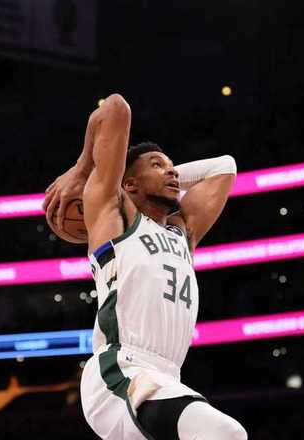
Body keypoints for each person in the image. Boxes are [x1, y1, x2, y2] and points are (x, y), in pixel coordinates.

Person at [42, 93, 247, 440]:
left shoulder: (183, 232)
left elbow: (224, 167)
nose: (171, 171)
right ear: (129, 184)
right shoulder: (115, 216)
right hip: (122, 370)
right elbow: (116, 107)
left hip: (167, 377)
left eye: (171, 167)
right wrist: (83, 169)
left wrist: (165, 175)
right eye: (157, 164)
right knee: (226, 434)